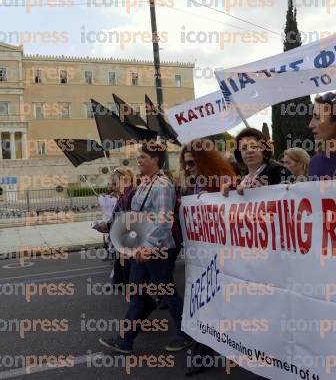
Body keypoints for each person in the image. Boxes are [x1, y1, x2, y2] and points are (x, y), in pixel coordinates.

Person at [99, 141, 193, 354]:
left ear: (156, 160)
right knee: (136, 292)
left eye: (143, 157)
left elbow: (164, 220)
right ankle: (125, 340)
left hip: (157, 248)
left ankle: (186, 334)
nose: (138, 161)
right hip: (140, 248)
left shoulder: (161, 185)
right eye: (138, 157)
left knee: (166, 292)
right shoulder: (143, 184)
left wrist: (148, 246)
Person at [179, 139, 237, 376]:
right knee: (203, 303)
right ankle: (204, 350)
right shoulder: (197, 185)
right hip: (202, 255)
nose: (189, 168)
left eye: (192, 163)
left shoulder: (224, 182)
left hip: (223, 256)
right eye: (186, 164)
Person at [94, 167, 137, 285]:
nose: (112, 188)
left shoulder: (132, 195)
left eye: (114, 184)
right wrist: (106, 226)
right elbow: (116, 218)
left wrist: (108, 226)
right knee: (120, 280)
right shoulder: (124, 196)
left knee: (127, 280)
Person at [222, 127, 289, 196]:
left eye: (254, 147)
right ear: (240, 154)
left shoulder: (279, 172)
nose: (249, 151)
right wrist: (231, 194)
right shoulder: (241, 180)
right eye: (244, 148)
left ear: (264, 151)